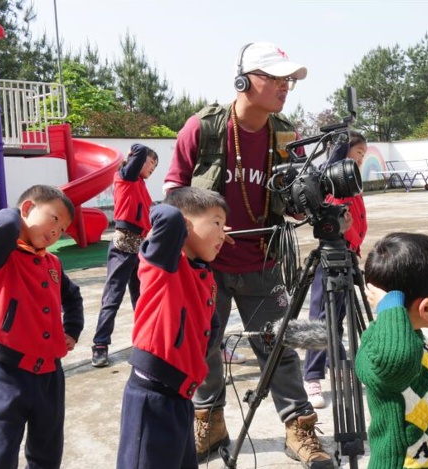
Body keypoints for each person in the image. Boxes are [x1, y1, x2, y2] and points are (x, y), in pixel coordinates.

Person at [163, 41, 334, 467]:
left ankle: (300, 430)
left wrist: (303, 200)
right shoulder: (204, 129)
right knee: (205, 347)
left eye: (288, 79)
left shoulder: (285, 133)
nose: (285, 86)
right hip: (207, 268)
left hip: (263, 260)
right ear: (244, 80)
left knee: (280, 346)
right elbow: (171, 192)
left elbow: (290, 195)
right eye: (274, 78)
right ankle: (210, 423)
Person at [0, 184, 84, 468]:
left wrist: (71, 329)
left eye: (63, 229)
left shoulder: (52, 263)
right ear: (26, 209)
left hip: (50, 373)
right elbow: (2, 231)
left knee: (47, 452)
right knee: (1, 454)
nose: (57, 232)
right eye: (54, 218)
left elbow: (72, 297)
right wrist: (14, 215)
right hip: (8, 373)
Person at [116, 186, 228, 469]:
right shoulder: (163, 266)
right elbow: (166, 216)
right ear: (185, 224)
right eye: (216, 222)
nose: (223, 234)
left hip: (181, 395)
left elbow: (210, 330)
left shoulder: (202, 273)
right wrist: (173, 215)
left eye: (224, 226)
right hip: (151, 395)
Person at [355, 232, 428, 469]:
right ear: (425, 307)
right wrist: (390, 308)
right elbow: (396, 364)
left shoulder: (412, 336)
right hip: (405, 463)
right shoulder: (382, 348)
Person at [303, 130, 368, 409]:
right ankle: (312, 377)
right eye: (358, 153)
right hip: (330, 258)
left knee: (340, 315)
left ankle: (337, 362)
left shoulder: (351, 182)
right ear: (343, 153)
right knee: (321, 318)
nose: (361, 159)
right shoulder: (331, 179)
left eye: (364, 155)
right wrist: (341, 139)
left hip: (349, 255)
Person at [91, 143, 158, 367]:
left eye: (155, 166)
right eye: (151, 162)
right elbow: (139, 150)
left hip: (141, 249)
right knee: (112, 298)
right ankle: (100, 345)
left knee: (142, 299)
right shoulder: (125, 177)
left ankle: (145, 341)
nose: (152, 168)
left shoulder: (141, 185)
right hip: (122, 247)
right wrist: (134, 154)